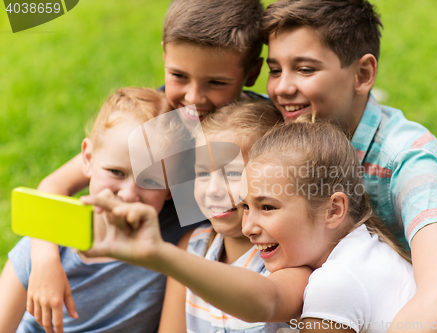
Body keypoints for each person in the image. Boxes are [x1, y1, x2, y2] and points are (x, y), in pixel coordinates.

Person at [79, 118, 437, 333]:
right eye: (247, 206)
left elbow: (265, 301)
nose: (249, 225)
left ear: (334, 209)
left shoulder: (335, 281)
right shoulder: (362, 249)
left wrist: (158, 253)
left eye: (267, 207)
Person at [259, 0, 437, 331]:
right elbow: (205, 114)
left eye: (305, 69)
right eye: (274, 70)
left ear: (363, 74)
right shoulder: (290, 130)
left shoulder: (407, 158)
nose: (282, 87)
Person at [26, 0, 266, 331]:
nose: (194, 97)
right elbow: (54, 186)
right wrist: (43, 261)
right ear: (165, 55)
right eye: (179, 76)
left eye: (217, 83)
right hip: (143, 265)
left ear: (252, 72)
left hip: (218, 263)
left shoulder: (258, 130)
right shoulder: (160, 121)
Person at [0, 87, 173, 333]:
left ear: (170, 189)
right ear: (88, 158)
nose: (128, 194)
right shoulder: (42, 248)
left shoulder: (173, 256)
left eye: (150, 180)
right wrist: (43, 259)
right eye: (116, 172)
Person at [158, 99, 294, 332]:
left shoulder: (286, 262)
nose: (213, 190)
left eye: (232, 173)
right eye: (202, 173)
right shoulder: (191, 249)